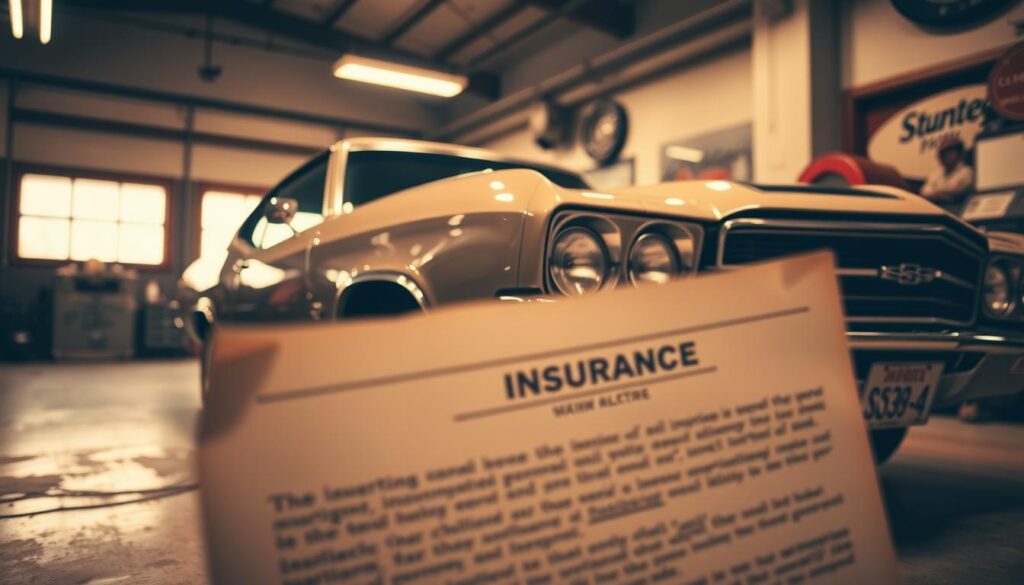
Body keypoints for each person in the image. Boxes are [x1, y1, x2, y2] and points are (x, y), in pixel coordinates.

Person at [920, 137, 974, 204]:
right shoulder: (935, 174)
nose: (943, 155)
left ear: (959, 153)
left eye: (948, 152)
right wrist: (941, 195)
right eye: (941, 153)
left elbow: (959, 194)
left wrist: (936, 194)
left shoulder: (968, 172)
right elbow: (924, 194)